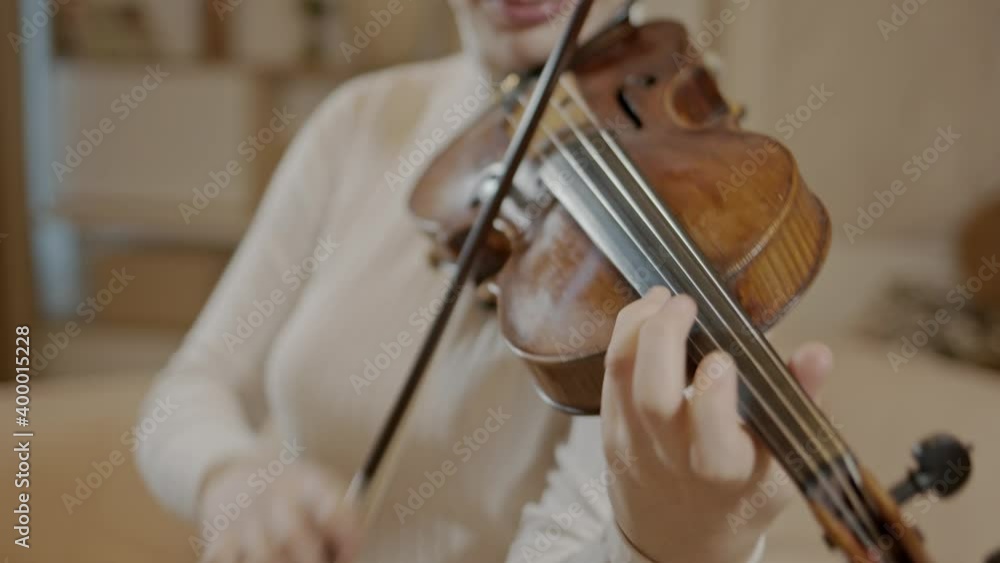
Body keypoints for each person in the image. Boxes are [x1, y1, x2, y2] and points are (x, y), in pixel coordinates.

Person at [135, 1, 832, 562]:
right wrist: (229, 479)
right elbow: (187, 388)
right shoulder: (361, 121)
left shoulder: (701, 202)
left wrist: (667, 547)